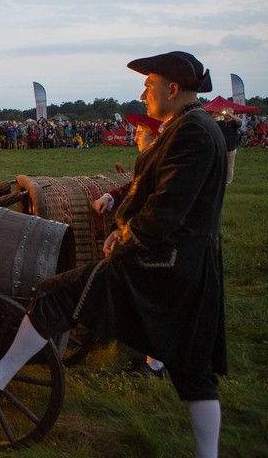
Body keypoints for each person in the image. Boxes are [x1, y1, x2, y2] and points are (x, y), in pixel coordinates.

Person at [0, 51, 227, 458]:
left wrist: (123, 238)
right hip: (186, 264)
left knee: (55, 293)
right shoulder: (193, 126)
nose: (143, 92)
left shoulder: (191, 132)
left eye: (149, 84)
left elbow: (166, 209)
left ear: (173, 89)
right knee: (194, 368)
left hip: (162, 263)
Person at [93, 112, 166, 378]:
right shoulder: (148, 162)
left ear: (155, 137)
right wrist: (109, 197)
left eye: (140, 133)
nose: (135, 137)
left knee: (151, 296)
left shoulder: (160, 164)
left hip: (153, 239)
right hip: (146, 235)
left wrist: (119, 231)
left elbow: (145, 201)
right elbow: (131, 188)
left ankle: (155, 364)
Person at [213, 109, 242, 185]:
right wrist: (213, 116)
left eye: (227, 112)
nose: (225, 114)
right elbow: (209, 122)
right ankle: (220, 180)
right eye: (225, 112)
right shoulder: (220, 123)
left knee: (230, 165)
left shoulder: (234, 123)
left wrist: (230, 114)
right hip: (222, 147)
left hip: (231, 147)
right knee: (220, 164)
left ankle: (228, 182)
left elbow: (240, 121)